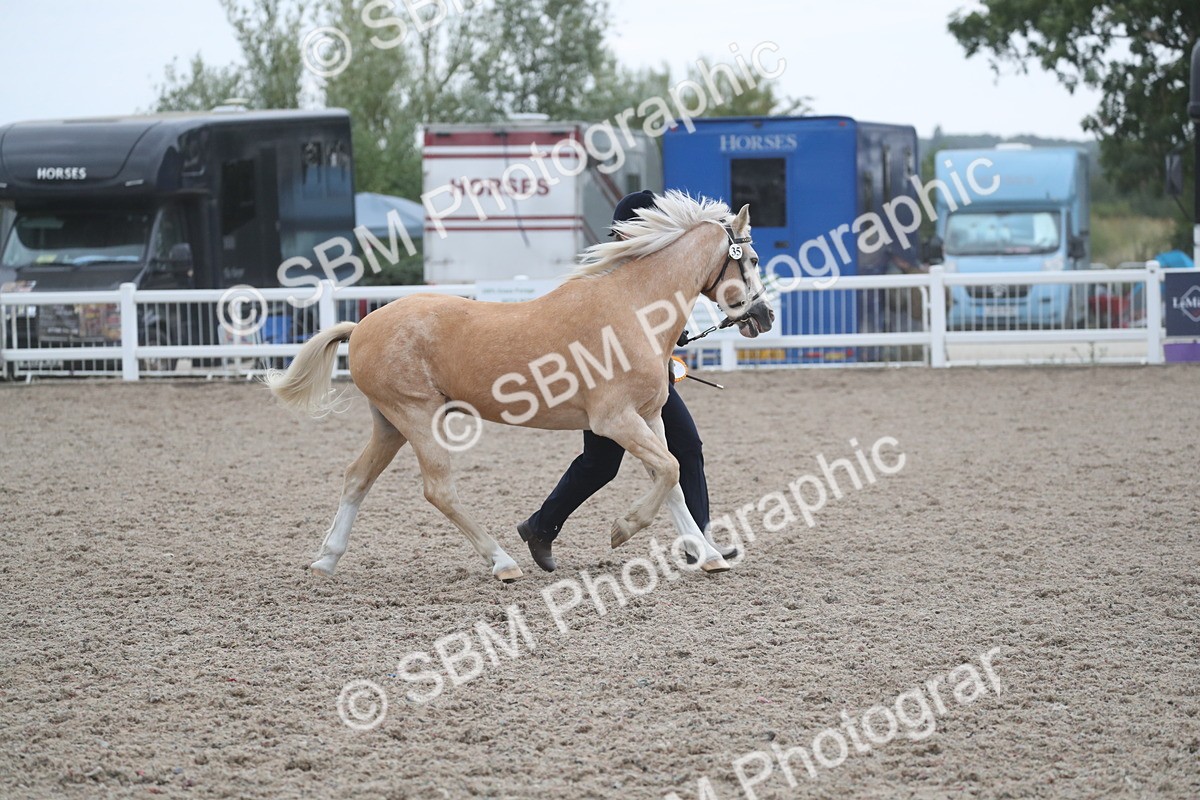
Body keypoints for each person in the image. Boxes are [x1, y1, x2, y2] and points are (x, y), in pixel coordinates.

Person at [517, 190, 735, 572]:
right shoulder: (609, 275)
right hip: (608, 386)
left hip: (650, 384)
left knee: (687, 447)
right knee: (600, 466)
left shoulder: (658, 274)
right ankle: (540, 525)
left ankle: (698, 539)